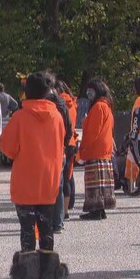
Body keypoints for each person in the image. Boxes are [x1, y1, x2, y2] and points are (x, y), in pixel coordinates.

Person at [0, 71, 64, 265]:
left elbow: (7, 149)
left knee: (27, 226)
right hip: (49, 179)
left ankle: (27, 266)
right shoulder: (57, 116)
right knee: (46, 225)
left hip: (25, 179)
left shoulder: (20, 117)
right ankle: (48, 266)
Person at [78, 78, 116, 220]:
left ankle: (95, 209)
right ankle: (100, 209)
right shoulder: (106, 106)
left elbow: (93, 131)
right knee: (102, 183)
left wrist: (83, 150)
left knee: (94, 183)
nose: (88, 93)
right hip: (104, 150)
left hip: (95, 150)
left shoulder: (98, 107)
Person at [45, 81, 73, 232]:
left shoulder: (47, 106)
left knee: (47, 187)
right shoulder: (63, 106)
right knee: (59, 186)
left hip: (47, 150)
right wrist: (63, 144)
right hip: (60, 150)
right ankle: (58, 222)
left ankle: (48, 220)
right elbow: (69, 128)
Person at [57, 81, 78, 218]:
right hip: (72, 142)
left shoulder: (59, 104)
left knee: (62, 177)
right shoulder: (73, 104)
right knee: (69, 175)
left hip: (62, 142)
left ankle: (63, 210)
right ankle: (69, 205)